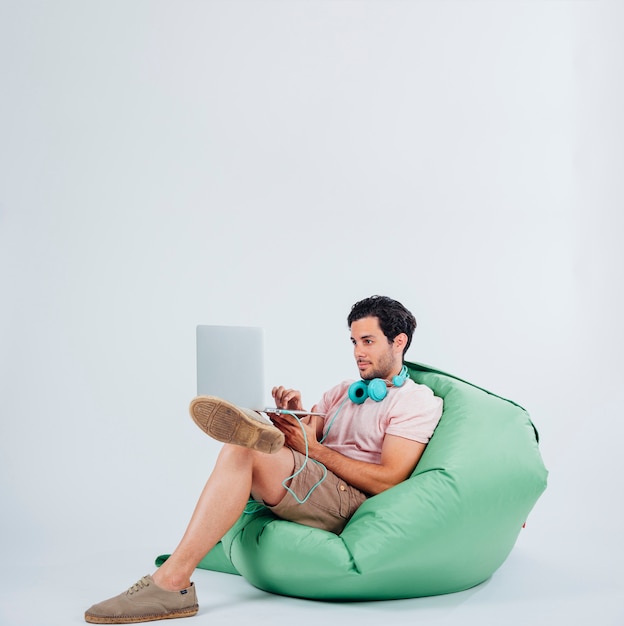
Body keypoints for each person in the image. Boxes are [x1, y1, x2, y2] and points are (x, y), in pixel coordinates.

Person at [85, 295, 443, 624]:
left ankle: (172, 582)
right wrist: (294, 418)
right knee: (244, 447)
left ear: (399, 342)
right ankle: (255, 426)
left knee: (245, 450)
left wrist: (312, 449)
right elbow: (312, 437)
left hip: (350, 500)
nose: (357, 352)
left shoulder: (415, 402)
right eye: (354, 341)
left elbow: (389, 480)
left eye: (368, 341)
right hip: (316, 476)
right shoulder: (344, 392)